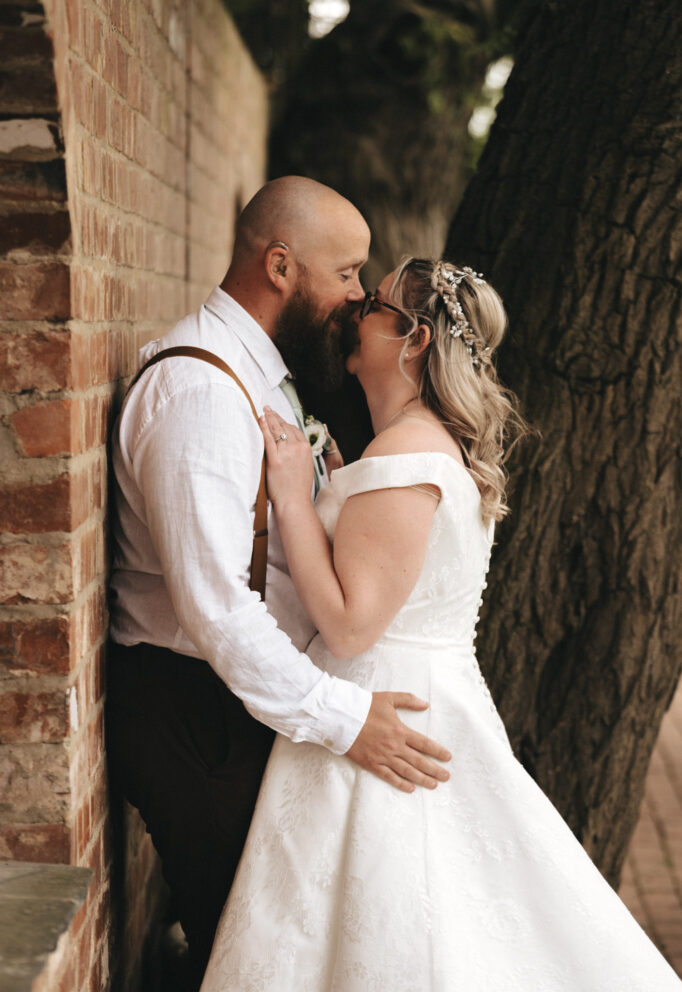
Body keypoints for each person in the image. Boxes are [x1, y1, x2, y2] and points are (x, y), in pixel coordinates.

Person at [200, 257, 681, 990]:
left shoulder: (406, 455)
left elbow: (351, 628)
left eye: (376, 304)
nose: (357, 306)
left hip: (384, 710)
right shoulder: (413, 447)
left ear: (414, 339)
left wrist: (295, 496)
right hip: (419, 696)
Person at [105, 178, 452, 989]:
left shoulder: (258, 375)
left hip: (238, 701)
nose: (360, 297)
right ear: (282, 266)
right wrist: (344, 719)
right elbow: (216, 609)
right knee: (249, 955)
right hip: (194, 716)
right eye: (348, 275)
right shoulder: (197, 393)